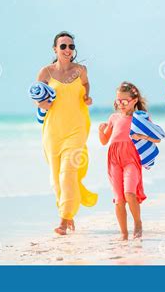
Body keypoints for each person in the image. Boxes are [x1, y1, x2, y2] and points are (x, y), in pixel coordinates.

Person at [35, 31, 97, 235]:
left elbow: (86, 86)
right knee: (56, 178)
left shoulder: (80, 70)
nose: (68, 50)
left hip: (76, 128)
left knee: (67, 172)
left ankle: (64, 219)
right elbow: (38, 99)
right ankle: (68, 212)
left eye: (71, 46)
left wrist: (87, 96)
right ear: (55, 49)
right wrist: (43, 103)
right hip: (53, 131)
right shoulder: (45, 72)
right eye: (63, 46)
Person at [99, 82, 159, 240]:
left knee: (129, 192)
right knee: (119, 199)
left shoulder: (141, 118)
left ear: (134, 100)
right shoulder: (113, 117)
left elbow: (157, 138)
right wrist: (100, 131)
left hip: (131, 158)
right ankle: (123, 233)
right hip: (114, 159)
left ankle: (138, 223)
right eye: (118, 101)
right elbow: (104, 141)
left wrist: (143, 137)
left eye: (124, 101)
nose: (121, 104)